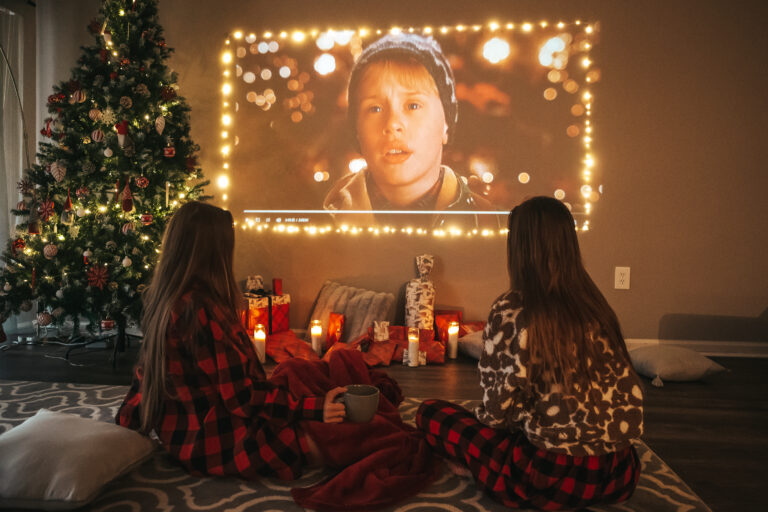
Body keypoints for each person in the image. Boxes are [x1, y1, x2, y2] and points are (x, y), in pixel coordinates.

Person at [415, 196, 644, 510]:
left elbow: (496, 413)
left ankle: (478, 471)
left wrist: (487, 439)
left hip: (545, 477)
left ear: (518, 247)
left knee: (430, 413)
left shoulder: (512, 309)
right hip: (618, 474)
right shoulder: (596, 307)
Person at [115, 202, 346, 480]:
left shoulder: (165, 301)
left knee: (299, 373)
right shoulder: (199, 309)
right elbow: (242, 397)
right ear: (216, 253)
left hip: (190, 439)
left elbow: (145, 378)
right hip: (224, 442)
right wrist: (314, 408)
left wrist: (122, 426)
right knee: (362, 434)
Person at [323, 33, 498, 229]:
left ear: (446, 124)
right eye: (375, 108)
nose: (392, 124)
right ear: (357, 130)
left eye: (413, 106)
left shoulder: (487, 222)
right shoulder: (325, 224)